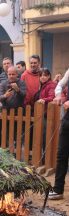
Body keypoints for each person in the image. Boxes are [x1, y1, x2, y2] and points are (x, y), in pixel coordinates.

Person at [49, 68, 69, 200]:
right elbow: (60, 84)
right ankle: (58, 190)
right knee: (61, 154)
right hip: (68, 119)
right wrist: (58, 94)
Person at [35, 68, 55, 155]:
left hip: (48, 113)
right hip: (43, 113)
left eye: (45, 75)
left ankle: (45, 156)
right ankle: (43, 156)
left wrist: (43, 100)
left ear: (49, 76)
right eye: (41, 75)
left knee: (46, 136)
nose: (42, 77)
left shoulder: (51, 85)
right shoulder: (43, 85)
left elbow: (52, 97)